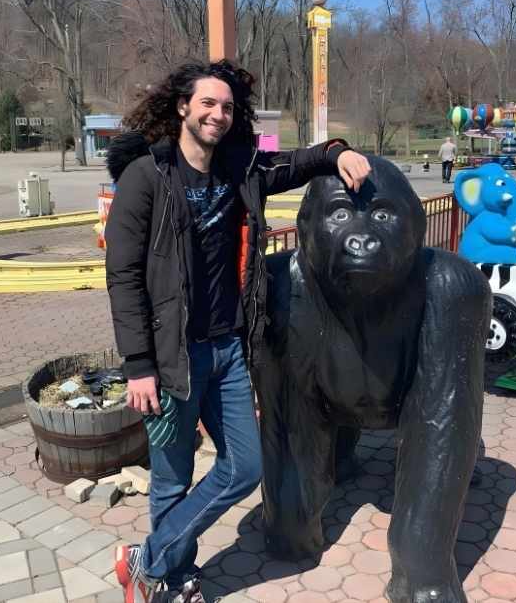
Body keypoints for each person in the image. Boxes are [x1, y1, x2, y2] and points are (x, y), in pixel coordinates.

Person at [103, 59, 372, 602]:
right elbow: (123, 277)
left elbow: (298, 162)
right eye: (207, 103)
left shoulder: (241, 171)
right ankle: (172, 580)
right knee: (172, 480)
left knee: (245, 467)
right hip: (170, 356)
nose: (217, 114)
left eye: (226, 107)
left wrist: (339, 151)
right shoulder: (146, 177)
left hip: (226, 351)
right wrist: (139, 366)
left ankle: (146, 560)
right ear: (182, 107)